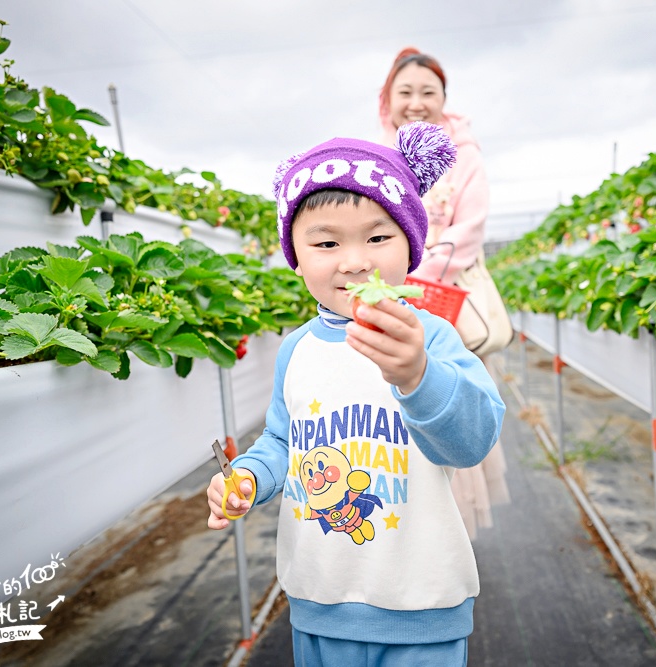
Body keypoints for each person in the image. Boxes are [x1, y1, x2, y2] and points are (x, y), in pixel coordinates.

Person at [207, 122, 505, 666]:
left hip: (423, 606)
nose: (354, 261)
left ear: (410, 246)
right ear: (295, 255)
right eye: (325, 243)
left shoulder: (431, 335)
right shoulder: (296, 350)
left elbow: (471, 442)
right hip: (319, 601)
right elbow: (283, 441)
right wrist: (250, 475)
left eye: (377, 237)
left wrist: (417, 374)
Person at [379, 47, 510, 539]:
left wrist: (413, 273)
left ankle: (446, 537)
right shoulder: (376, 153)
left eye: (427, 93)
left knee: (445, 399)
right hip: (392, 299)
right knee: (394, 408)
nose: (416, 102)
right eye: (405, 92)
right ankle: (399, 527)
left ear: (444, 100)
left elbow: (470, 229)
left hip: (445, 301)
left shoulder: (465, 154)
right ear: (387, 100)